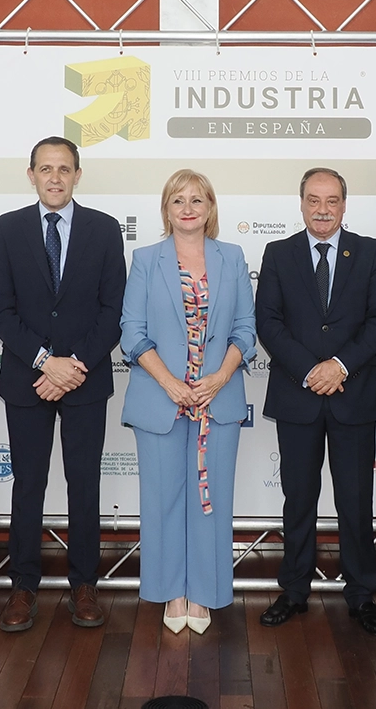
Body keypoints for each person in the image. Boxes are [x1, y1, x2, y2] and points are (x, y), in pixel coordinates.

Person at [0, 136, 126, 632]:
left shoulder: (104, 229)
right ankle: (23, 586)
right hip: (28, 380)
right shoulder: (9, 228)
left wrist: (74, 366)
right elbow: (0, 308)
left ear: (77, 175)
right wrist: (47, 363)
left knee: (83, 484)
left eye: (64, 169)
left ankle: (84, 585)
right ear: (31, 175)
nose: (55, 177)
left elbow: (114, 310)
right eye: (45, 169)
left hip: (86, 380)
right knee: (29, 484)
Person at [256, 168, 376, 636]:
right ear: (301, 204)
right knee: (299, 499)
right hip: (297, 396)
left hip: (352, 394)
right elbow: (268, 322)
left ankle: (362, 595)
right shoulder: (278, 253)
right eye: (313, 200)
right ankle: (294, 590)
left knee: (355, 501)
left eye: (331, 200)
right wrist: (310, 371)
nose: (322, 209)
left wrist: (339, 366)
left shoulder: (371, 252)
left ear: (344, 205)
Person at [120, 169, 256, 634]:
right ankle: (171, 593)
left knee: (210, 501)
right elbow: (132, 332)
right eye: (178, 200)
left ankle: (203, 595)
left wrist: (219, 378)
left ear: (210, 207)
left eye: (197, 199)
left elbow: (245, 329)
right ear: (166, 209)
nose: (188, 208)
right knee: (162, 501)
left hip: (217, 399)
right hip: (161, 399)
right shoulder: (145, 259)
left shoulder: (232, 257)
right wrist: (170, 384)